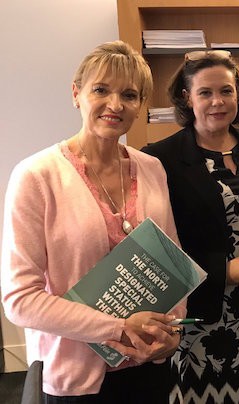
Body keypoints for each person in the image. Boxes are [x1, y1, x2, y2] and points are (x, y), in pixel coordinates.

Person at [1, 41, 184, 403]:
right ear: (76, 94)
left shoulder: (152, 169)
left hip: (149, 369)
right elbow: (20, 299)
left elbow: (172, 266)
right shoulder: (36, 176)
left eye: (129, 95)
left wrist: (171, 334)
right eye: (101, 89)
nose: (115, 105)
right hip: (76, 379)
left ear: (140, 106)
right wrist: (118, 328)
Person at [142, 50, 239, 403]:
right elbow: (157, 243)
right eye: (205, 92)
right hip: (199, 311)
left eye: (226, 91)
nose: (217, 101)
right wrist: (223, 271)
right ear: (186, 97)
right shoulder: (159, 158)